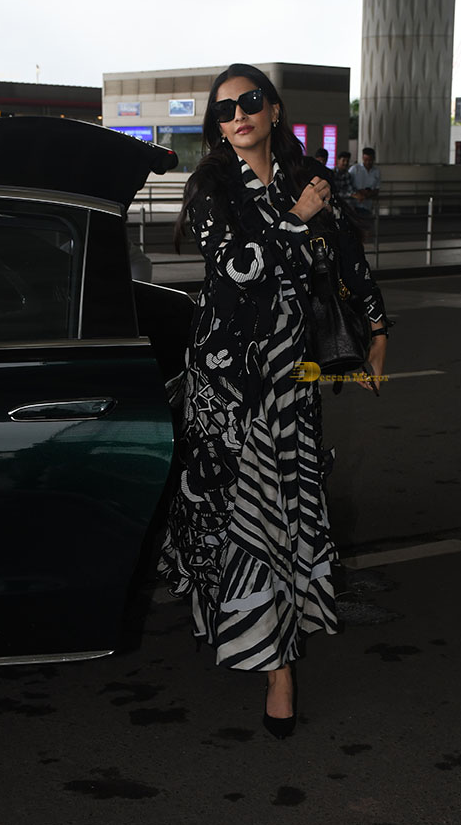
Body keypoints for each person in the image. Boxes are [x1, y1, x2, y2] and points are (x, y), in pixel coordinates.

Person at [157, 63, 390, 740]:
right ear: (216, 124)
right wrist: (294, 220)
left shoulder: (307, 178)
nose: (238, 115)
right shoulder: (210, 187)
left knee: (286, 514)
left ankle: (275, 650)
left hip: (292, 375)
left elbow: (347, 260)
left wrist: (377, 330)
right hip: (227, 382)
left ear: (273, 108)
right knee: (242, 520)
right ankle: (276, 670)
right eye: (224, 109)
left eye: (250, 101)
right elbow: (236, 273)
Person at [349, 146, 381, 217]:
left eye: (370, 160)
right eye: (366, 160)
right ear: (363, 158)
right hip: (353, 205)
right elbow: (347, 185)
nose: (368, 162)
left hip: (367, 206)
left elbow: (377, 189)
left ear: (374, 159)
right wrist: (358, 193)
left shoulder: (376, 171)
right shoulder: (354, 169)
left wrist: (367, 194)